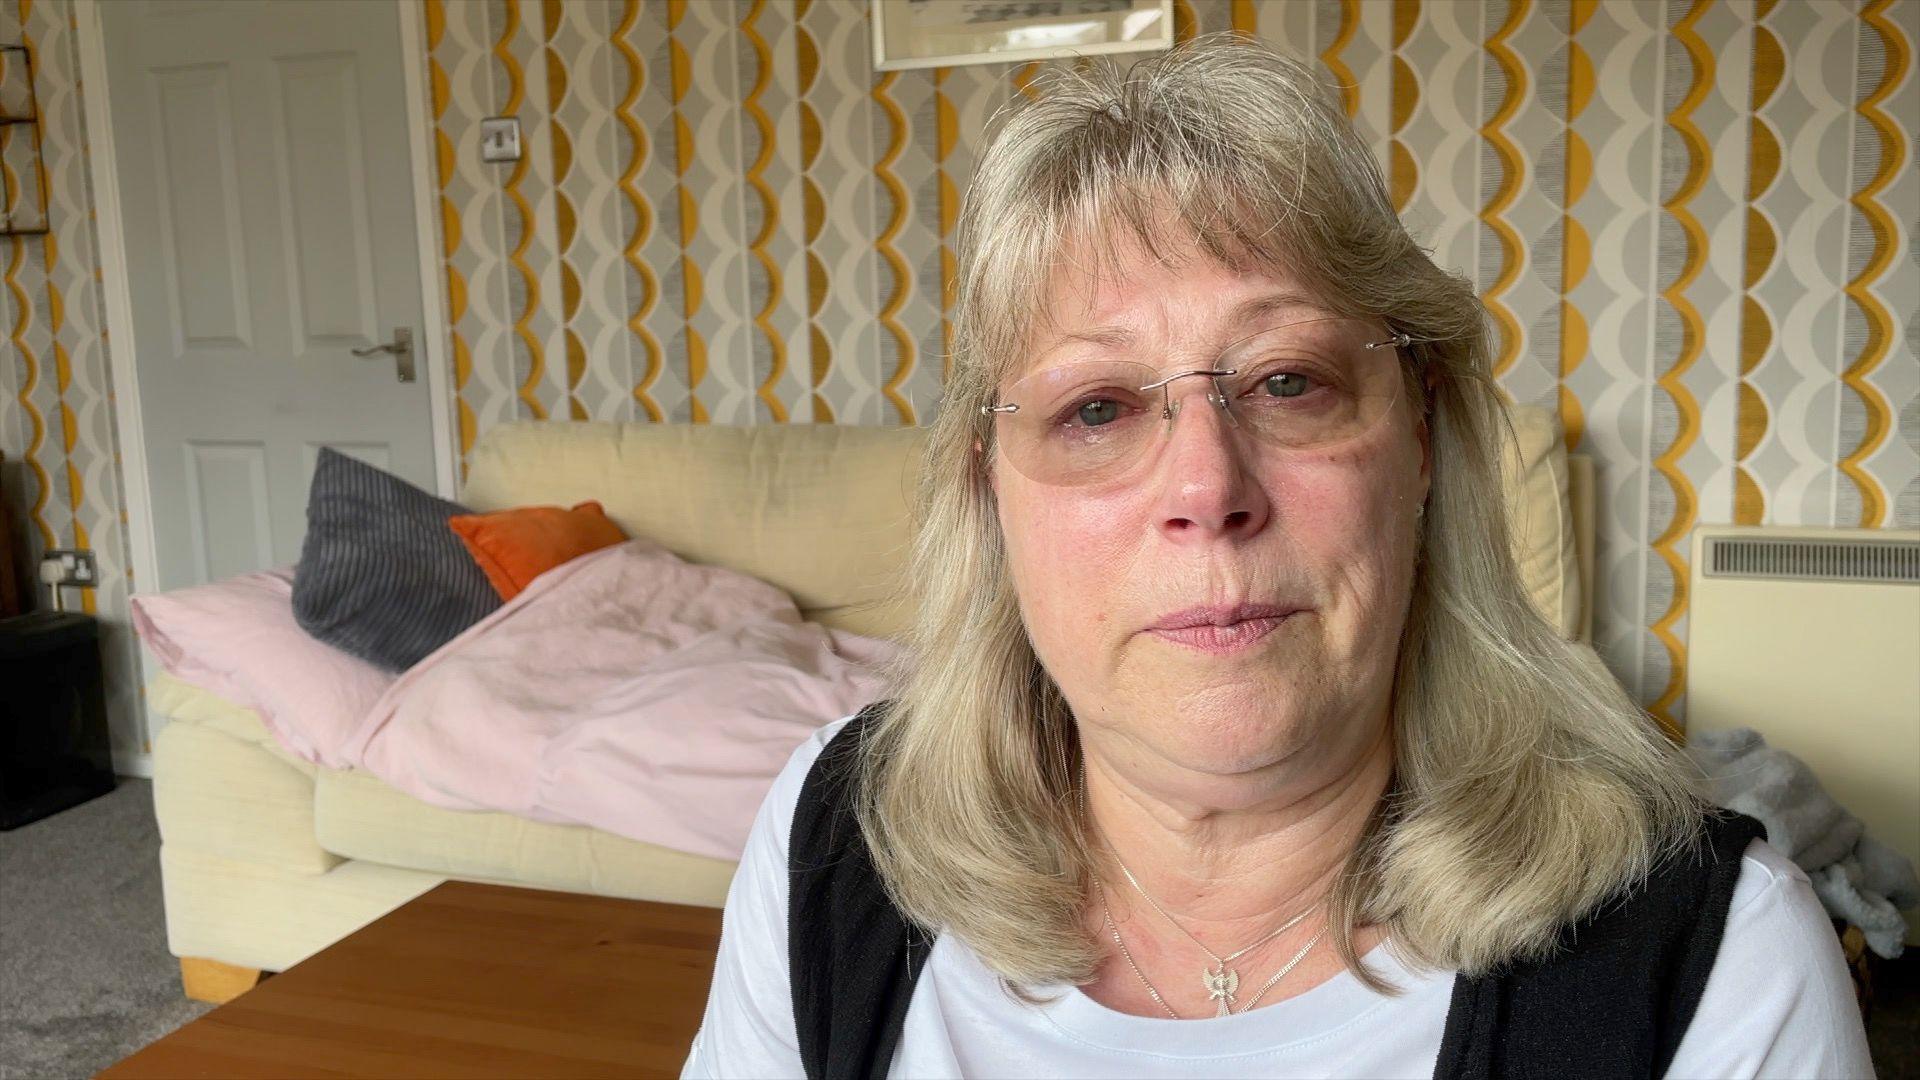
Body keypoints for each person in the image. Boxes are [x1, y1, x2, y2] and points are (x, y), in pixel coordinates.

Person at [684, 34, 1872, 1079]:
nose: (1207, 488)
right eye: (1097, 408)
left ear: (1419, 437)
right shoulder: (832, 840)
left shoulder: (1718, 959)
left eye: (1287, 381)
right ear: (985, 492)